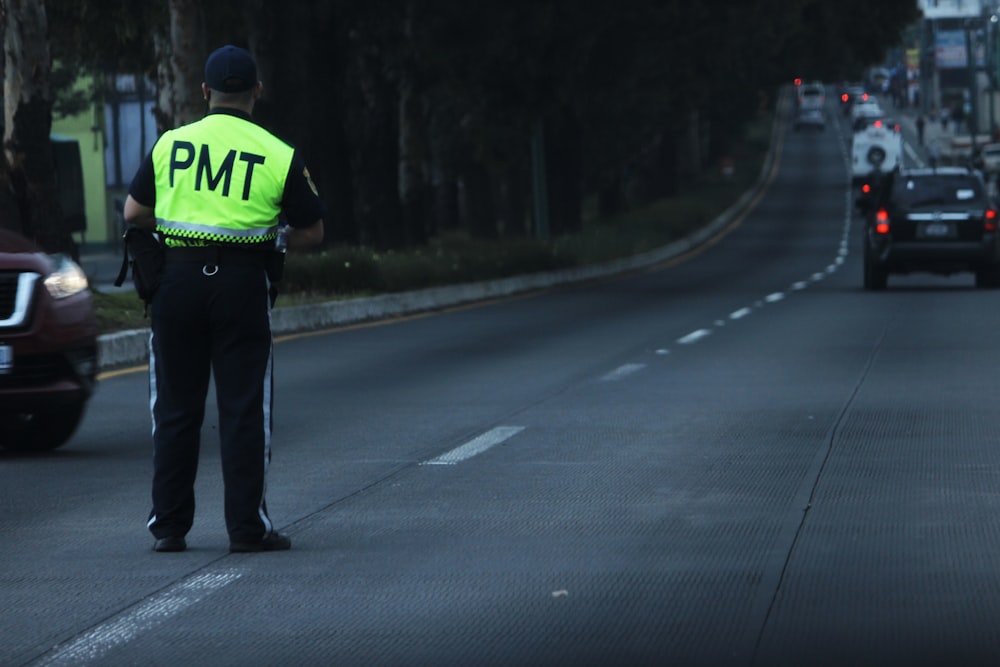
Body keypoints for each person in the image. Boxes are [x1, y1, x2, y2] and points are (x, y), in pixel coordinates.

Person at [123, 45, 325, 553]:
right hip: (240, 286)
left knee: (174, 407)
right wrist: (269, 237)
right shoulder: (278, 153)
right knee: (243, 408)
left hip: (178, 283)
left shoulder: (172, 144)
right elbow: (312, 231)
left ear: (205, 92)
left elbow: (133, 212)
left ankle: (168, 527)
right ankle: (246, 529)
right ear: (257, 91)